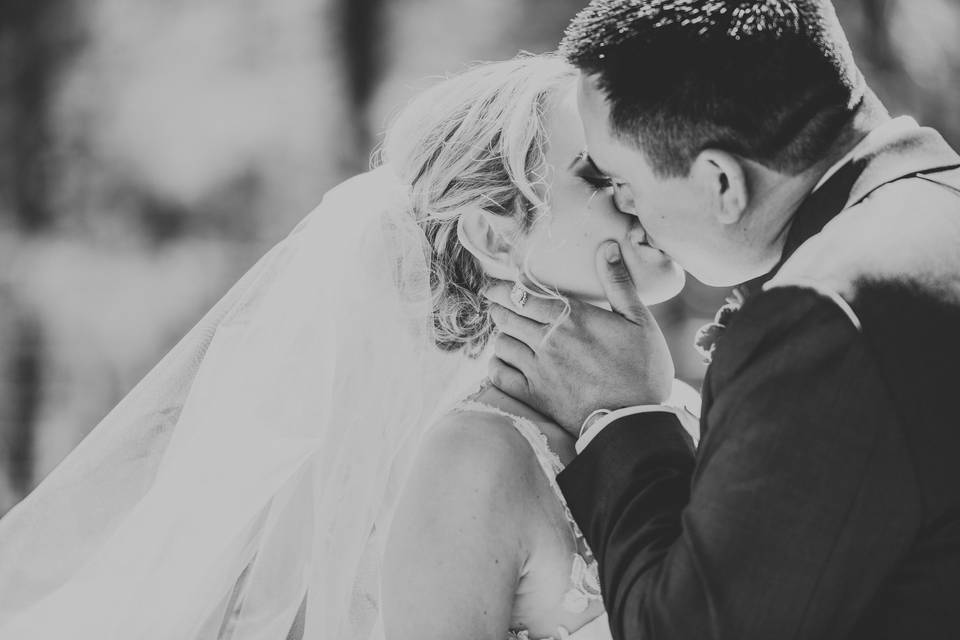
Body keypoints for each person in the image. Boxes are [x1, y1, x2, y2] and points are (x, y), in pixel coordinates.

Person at [0, 55, 692, 640]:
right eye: (603, 178)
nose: (649, 197)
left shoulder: (675, 404)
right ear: (496, 238)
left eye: (645, 167)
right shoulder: (477, 461)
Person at [486, 2, 960, 638]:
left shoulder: (823, 318)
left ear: (720, 182)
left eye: (622, 179)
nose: (627, 210)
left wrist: (626, 416)